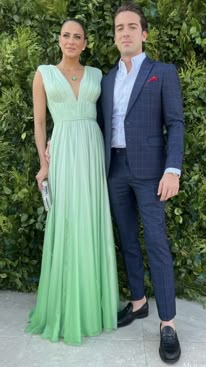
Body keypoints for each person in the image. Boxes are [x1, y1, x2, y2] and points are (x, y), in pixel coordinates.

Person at [98, 3, 184, 364]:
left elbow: (176, 123)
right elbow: (97, 124)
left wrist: (172, 170)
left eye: (132, 26)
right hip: (115, 168)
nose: (126, 33)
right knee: (127, 240)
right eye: (120, 28)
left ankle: (168, 323)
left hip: (151, 173)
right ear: (115, 35)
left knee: (157, 244)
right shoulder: (105, 79)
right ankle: (138, 302)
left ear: (144, 33)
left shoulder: (161, 72)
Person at [25, 19, 118, 345]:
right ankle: (65, 307)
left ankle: (94, 305)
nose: (71, 40)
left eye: (78, 36)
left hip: (92, 153)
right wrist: (43, 163)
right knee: (67, 221)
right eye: (66, 35)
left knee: (90, 220)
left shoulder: (96, 75)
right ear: (59, 39)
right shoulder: (44, 73)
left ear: (86, 42)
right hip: (62, 151)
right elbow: (39, 123)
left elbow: (110, 118)